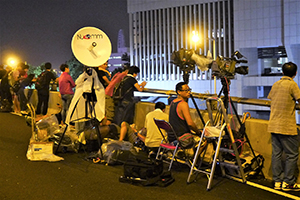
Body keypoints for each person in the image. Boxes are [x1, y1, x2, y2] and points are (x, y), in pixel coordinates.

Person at [267, 62, 300, 191]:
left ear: (282, 72)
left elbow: (270, 98)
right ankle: (288, 183)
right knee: (292, 154)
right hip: (287, 126)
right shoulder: (292, 85)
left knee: (276, 153)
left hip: (274, 124)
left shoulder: (276, 84)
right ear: (295, 73)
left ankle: (277, 181)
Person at [168, 82, 201, 152]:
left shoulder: (173, 102)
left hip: (172, 138)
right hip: (181, 140)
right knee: (204, 140)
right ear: (179, 92)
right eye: (186, 90)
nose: (189, 92)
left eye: (189, 90)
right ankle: (194, 161)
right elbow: (190, 123)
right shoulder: (183, 104)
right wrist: (199, 132)